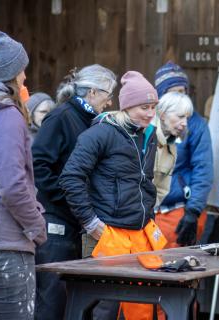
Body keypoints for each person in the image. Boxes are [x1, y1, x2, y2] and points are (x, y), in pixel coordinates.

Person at [59, 71, 165, 320]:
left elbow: (145, 182)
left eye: (153, 107)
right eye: (144, 107)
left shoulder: (148, 136)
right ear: (126, 106)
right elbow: (70, 177)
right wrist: (91, 223)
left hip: (141, 234)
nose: (150, 113)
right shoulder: (101, 133)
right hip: (108, 234)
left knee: (143, 307)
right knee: (106, 309)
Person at [0, 28, 47, 319]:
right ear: (10, 74)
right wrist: (36, 226)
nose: (25, 78)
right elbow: (12, 186)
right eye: (22, 71)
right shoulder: (5, 115)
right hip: (3, 240)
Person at [32, 65, 117, 320]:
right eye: (108, 94)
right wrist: (66, 198)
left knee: (75, 301)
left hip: (77, 222)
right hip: (57, 222)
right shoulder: (61, 117)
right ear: (92, 92)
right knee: (52, 300)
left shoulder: (91, 120)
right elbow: (38, 165)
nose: (111, 101)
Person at [154, 62, 213, 247]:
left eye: (183, 91)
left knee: (175, 270)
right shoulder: (149, 122)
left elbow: (203, 170)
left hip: (179, 209)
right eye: (174, 92)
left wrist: (193, 212)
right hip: (149, 211)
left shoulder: (196, 125)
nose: (181, 96)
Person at [153, 91, 194, 207]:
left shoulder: (171, 146)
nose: (185, 123)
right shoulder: (143, 137)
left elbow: (161, 190)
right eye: (180, 116)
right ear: (162, 114)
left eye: (187, 118)